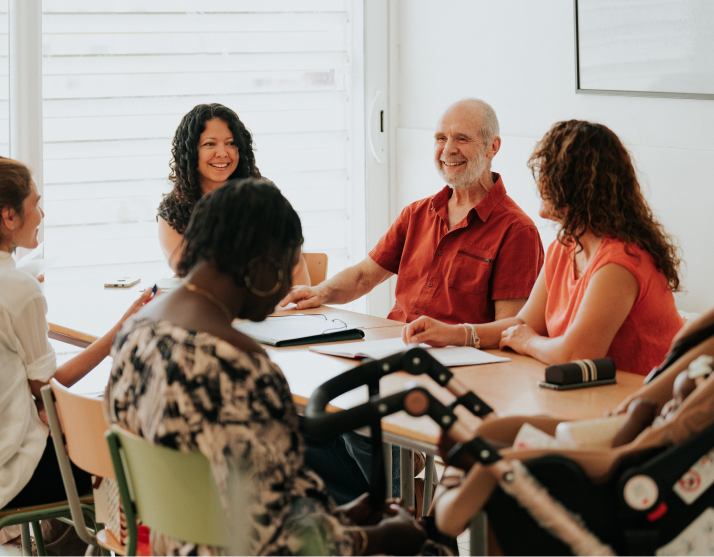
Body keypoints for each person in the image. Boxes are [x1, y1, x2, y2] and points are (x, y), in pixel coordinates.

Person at [105, 178, 446, 557]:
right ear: (260, 267)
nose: (286, 285)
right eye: (286, 269)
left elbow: (250, 508)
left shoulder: (136, 332)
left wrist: (344, 516)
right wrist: (378, 538)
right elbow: (280, 547)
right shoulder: (240, 367)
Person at [282, 98, 544, 503]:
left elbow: (511, 329)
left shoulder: (517, 230)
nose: (447, 149)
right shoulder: (418, 213)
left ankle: (388, 510)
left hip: (454, 377)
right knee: (304, 425)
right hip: (392, 358)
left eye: (462, 138)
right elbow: (366, 274)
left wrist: (453, 333)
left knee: (362, 431)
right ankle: (386, 508)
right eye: (440, 138)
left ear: (493, 147)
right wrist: (321, 292)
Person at [404, 120, 684, 377]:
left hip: (640, 407)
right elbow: (523, 323)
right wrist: (451, 333)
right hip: (586, 394)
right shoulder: (565, 247)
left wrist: (529, 342)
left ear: (576, 185)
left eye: (548, 172)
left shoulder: (619, 262)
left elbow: (576, 355)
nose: (539, 183)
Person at [0, 157, 152, 556]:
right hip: (14, 471)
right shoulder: (17, 289)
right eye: (36, 202)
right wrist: (119, 331)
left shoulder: (16, 284)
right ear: (9, 215)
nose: (42, 213)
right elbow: (49, 389)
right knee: (135, 450)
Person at [157, 103, 310, 285]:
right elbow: (191, 272)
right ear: (190, 152)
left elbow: (292, 262)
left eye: (231, 143)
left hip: (275, 304)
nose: (222, 153)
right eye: (209, 144)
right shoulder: (173, 209)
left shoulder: (264, 194)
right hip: (210, 306)